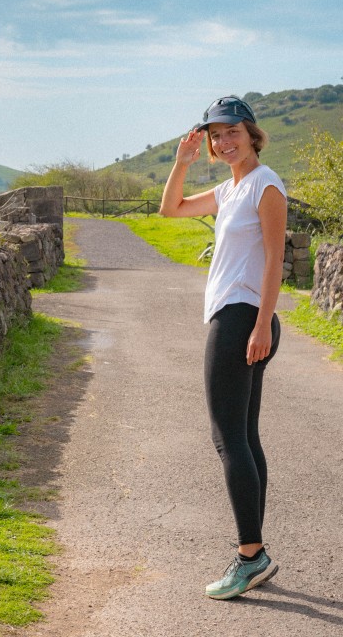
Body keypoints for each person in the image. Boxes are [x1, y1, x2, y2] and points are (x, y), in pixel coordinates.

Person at [159, 95, 287, 600]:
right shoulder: (230, 188)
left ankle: (250, 556)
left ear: (252, 134)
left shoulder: (265, 186)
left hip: (243, 319)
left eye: (232, 132)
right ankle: (255, 551)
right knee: (245, 436)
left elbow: (276, 261)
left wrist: (260, 326)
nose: (223, 141)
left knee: (226, 439)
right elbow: (171, 210)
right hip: (237, 317)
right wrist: (181, 163)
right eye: (215, 135)